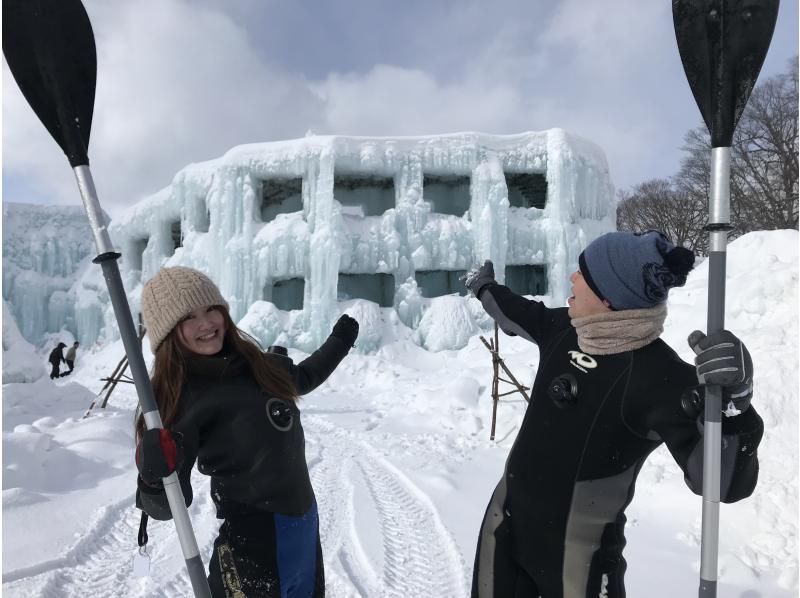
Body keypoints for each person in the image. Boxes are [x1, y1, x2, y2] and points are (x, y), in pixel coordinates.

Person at [465, 230, 762, 598]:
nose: (572, 279)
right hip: (504, 527)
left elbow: (723, 484)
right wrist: (483, 286)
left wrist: (734, 406)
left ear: (609, 297)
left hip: (578, 565)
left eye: (582, 274)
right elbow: (512, 311)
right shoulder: (563, 329)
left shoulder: (659, 376)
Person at [133, 266, 359, 597]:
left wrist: (339, 342)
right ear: (168, 332)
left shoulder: (258, 366)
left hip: (304, 533)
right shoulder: (184, 400)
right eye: (189, 317)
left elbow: (305, 377)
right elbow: (167, 508)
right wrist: (152, 478)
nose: (206, 323)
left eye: (211, 309)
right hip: (252, 549)